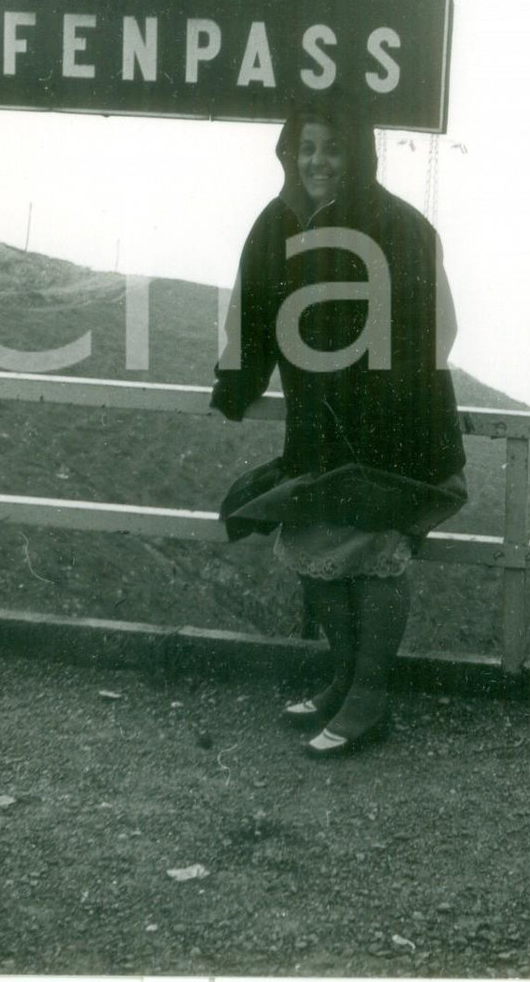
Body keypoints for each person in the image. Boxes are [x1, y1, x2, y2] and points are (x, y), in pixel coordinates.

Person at [210, 98, 466, 756]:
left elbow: (439, 329)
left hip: (396, 433)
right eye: (306, 147)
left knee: (375, 556)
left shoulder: (403, 226)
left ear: (358, 154)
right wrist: (236, 382)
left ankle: (369, 699)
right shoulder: (277, 223)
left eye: (332, 147)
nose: (317, 161)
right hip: (319, 433)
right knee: (313, 549)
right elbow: (251, 308)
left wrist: (382, 401)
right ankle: (345, 680)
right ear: (289, 153)